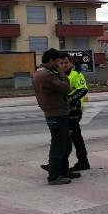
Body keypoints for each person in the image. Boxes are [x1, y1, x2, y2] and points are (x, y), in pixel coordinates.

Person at [32, 49, 79, 185]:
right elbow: (66, 88)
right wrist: (62, 73)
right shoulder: (46, 75)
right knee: (58, 146)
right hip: (56, 114)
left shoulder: (42, 73)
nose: (60, 64)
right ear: (51, 61)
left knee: (65, 144)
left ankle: (63, 171)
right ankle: (54, 176)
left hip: (57, 112)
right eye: (58, 62)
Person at [61, 54, 90, 171]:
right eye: (61, 63)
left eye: (66, 62)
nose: (63, 65)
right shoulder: (59, 75)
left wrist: (68, 101)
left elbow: (83, 90)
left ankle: (82, 161)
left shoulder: (76, 74)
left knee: (74, 136)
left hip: (74, 110)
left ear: (70, 62)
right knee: (69, 137)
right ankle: (82, 161)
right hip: (63, 111)